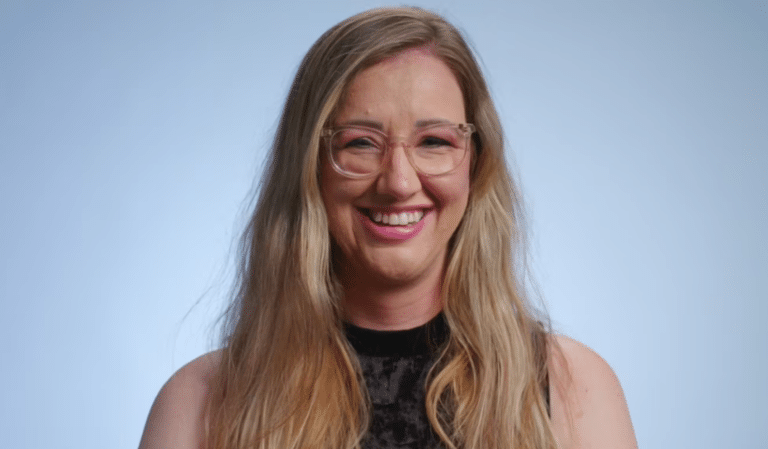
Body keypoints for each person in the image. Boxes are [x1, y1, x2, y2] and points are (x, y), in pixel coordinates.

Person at [139, 6, 637, 449]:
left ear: (476, 162)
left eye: (435, 141)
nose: (399, 182)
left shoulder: (572, 388)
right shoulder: (199, 403)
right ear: (309, 164)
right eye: (360, 142)